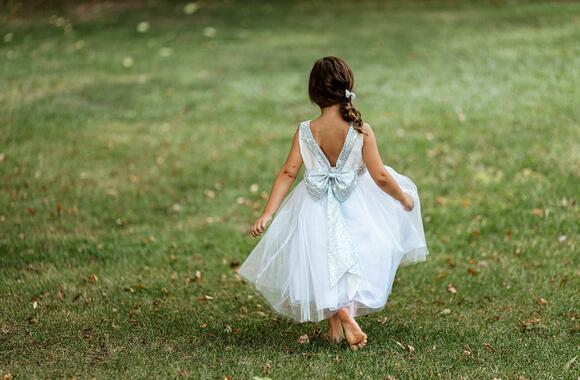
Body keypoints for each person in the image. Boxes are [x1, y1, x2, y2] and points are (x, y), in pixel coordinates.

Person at [238, 56, 429, 350]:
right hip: (356, 205)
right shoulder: (361, 129)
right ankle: (344, 315)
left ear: (314, 92)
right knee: (351, 262)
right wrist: (402, 197)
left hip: (312, 206)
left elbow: (289, 172)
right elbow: (379, 175)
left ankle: (336, 329)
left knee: (321, 263)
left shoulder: (305, 130)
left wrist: (268, 212)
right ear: (348, 88)